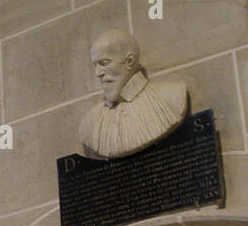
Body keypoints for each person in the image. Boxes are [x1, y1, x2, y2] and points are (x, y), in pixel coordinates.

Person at [79, 30, 188, 159]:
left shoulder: (171, 96)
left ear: (129, 61)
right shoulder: (90, 123)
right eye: (95, 65)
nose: (97, 73)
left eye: (104, 63)